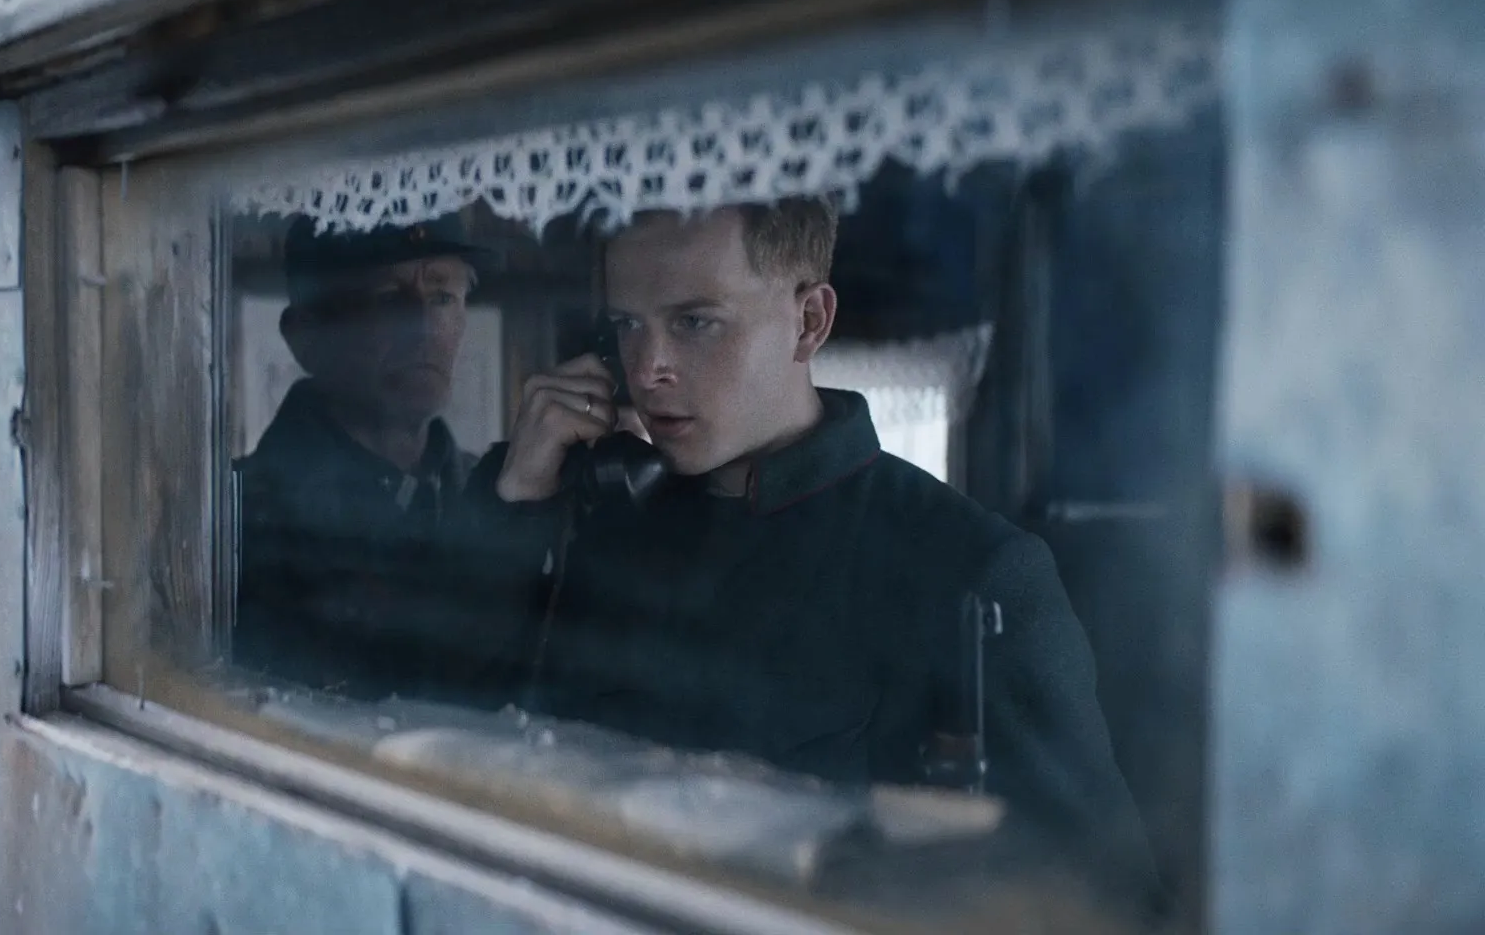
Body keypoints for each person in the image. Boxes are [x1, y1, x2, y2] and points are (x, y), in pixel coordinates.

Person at [463, 198, 1158, 901]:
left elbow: (1101, 894)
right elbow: (446, 735)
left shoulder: (969, 570)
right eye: (627, 326)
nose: (647, 370)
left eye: (695, 322)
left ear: (810, 321)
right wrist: (516, 502)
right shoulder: (605, 524)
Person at [234, 213, 503, 703]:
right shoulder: (238, 517)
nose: (424, 329)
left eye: (443, 297)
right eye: (388, 298)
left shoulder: (492, 496)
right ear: (307, 335)